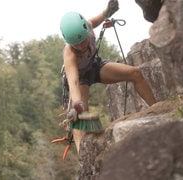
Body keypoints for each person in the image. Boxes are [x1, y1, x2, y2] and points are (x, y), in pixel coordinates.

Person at [60, 0, 157, 153]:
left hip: (95, 66)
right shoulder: (70, 54)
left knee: (135, 73)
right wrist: (78, 106)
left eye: (82, 41)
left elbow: (97, 19)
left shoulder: (88, 26)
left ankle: (157, 108)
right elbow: (74, 81)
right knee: (80, 117)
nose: (80, 46)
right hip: (81, 79)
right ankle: (82, 158)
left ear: (86, 30)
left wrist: (107, 11)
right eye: (76, 44)